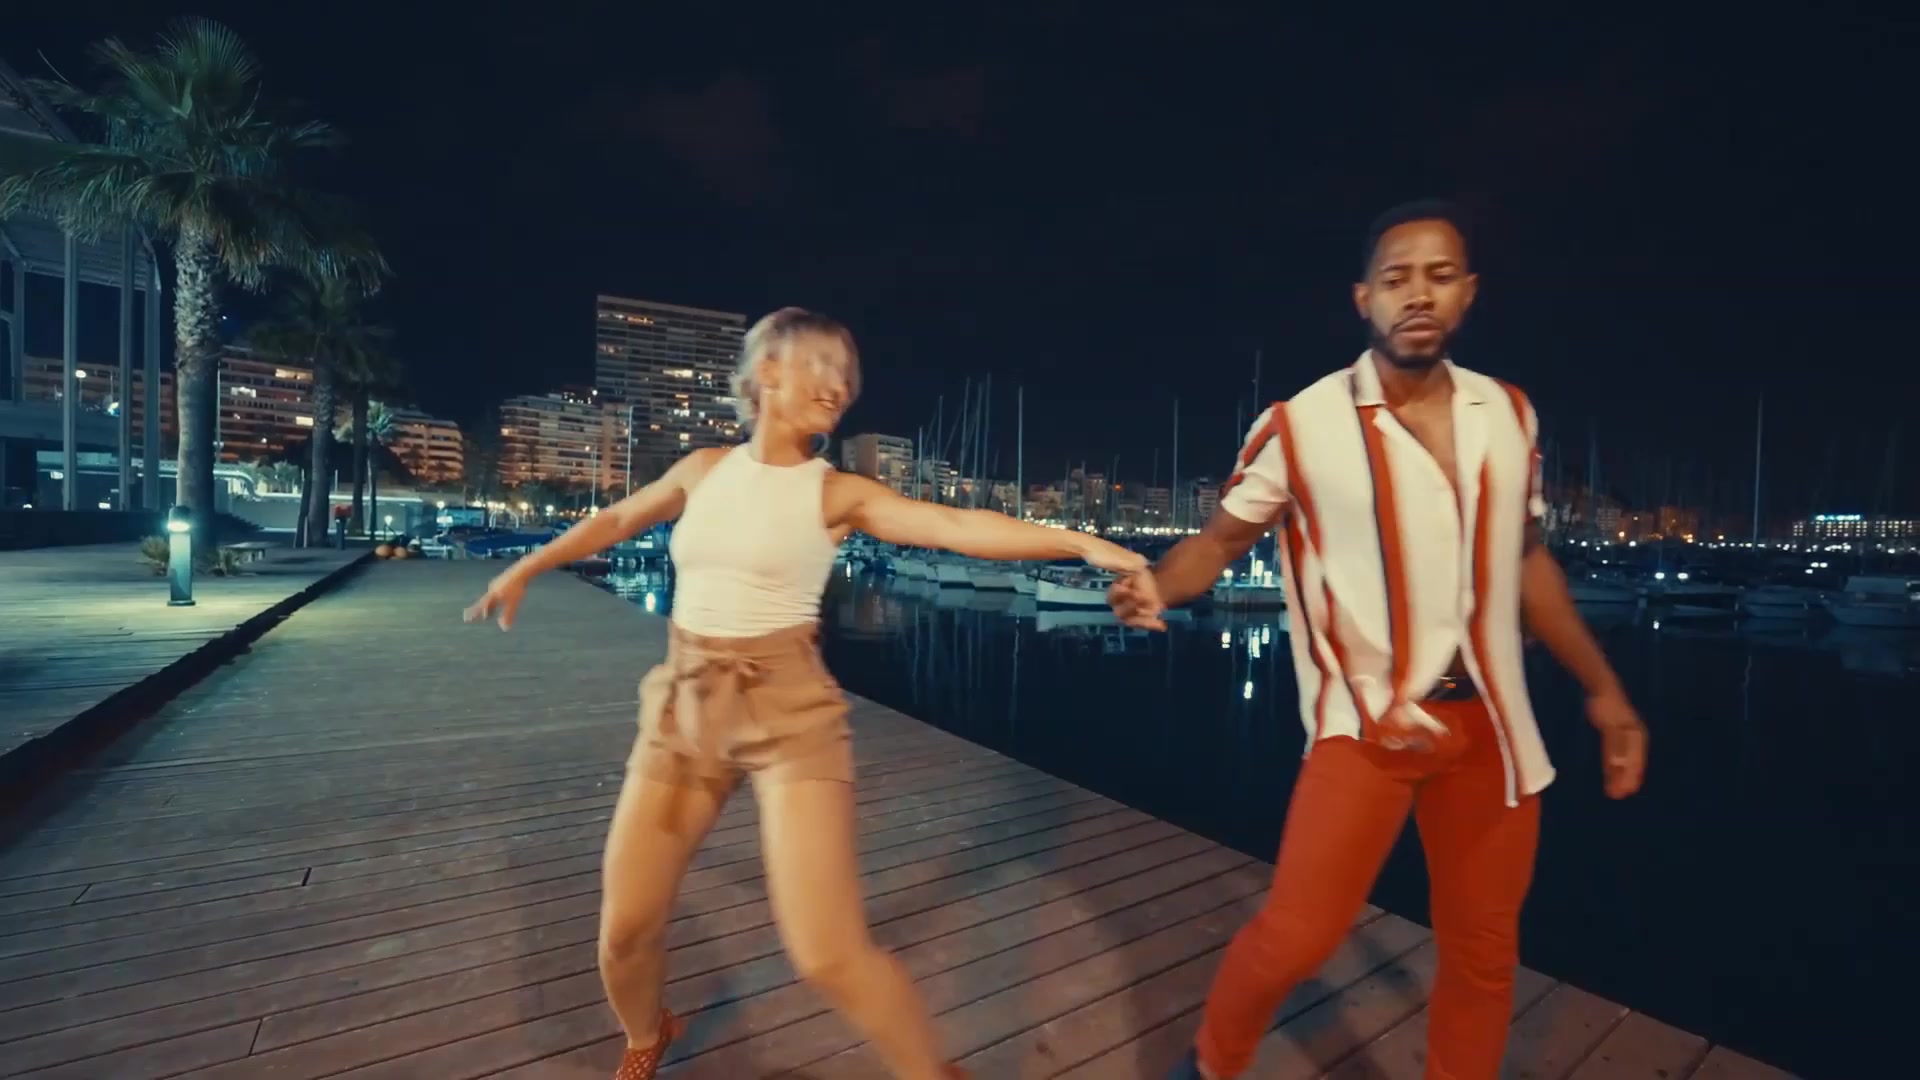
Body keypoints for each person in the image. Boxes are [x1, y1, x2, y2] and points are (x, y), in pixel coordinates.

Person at [465, 307, 1146, 1080]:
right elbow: (618, 516)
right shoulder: (702, 469)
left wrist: (1079, 542)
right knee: (624, 930)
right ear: (767, 372)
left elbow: (952, 526)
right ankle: (648, 1033)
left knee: (827, 953)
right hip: (685, 706)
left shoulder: (836, 493)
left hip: (789, 714)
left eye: (846, 374)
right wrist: (527, 566)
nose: (838, 384)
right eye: (819, 364)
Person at [1109, 201, 1649, 1080]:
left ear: (1468, 292)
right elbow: (1218, 542)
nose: (1418, 294)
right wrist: (1157, 585)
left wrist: (1605, 689)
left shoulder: (1509, 414)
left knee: (1484, 952)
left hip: (1492, 730)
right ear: (1364, 298)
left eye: (1440, 275)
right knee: (1298, 936)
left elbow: (1526, 561)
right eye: (1397, 278)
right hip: (1364, 729)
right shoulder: (1301, 425)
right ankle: (1211, 1064)